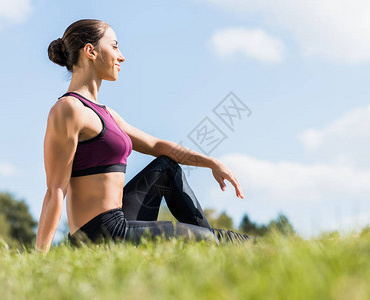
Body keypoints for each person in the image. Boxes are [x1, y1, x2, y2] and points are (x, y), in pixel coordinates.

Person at [35, 19, 249, 253]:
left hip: (120, 220)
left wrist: (212, 163)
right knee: (209, 240)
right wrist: (40, 256)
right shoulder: (69, 109)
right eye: (114, 46)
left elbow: (157, 145)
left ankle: (217, 246)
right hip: (100, 234)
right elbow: (55, 189)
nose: (121, 56)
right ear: (90, 51)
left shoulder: (106, 114)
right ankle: (225, 245)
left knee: (166, 166)